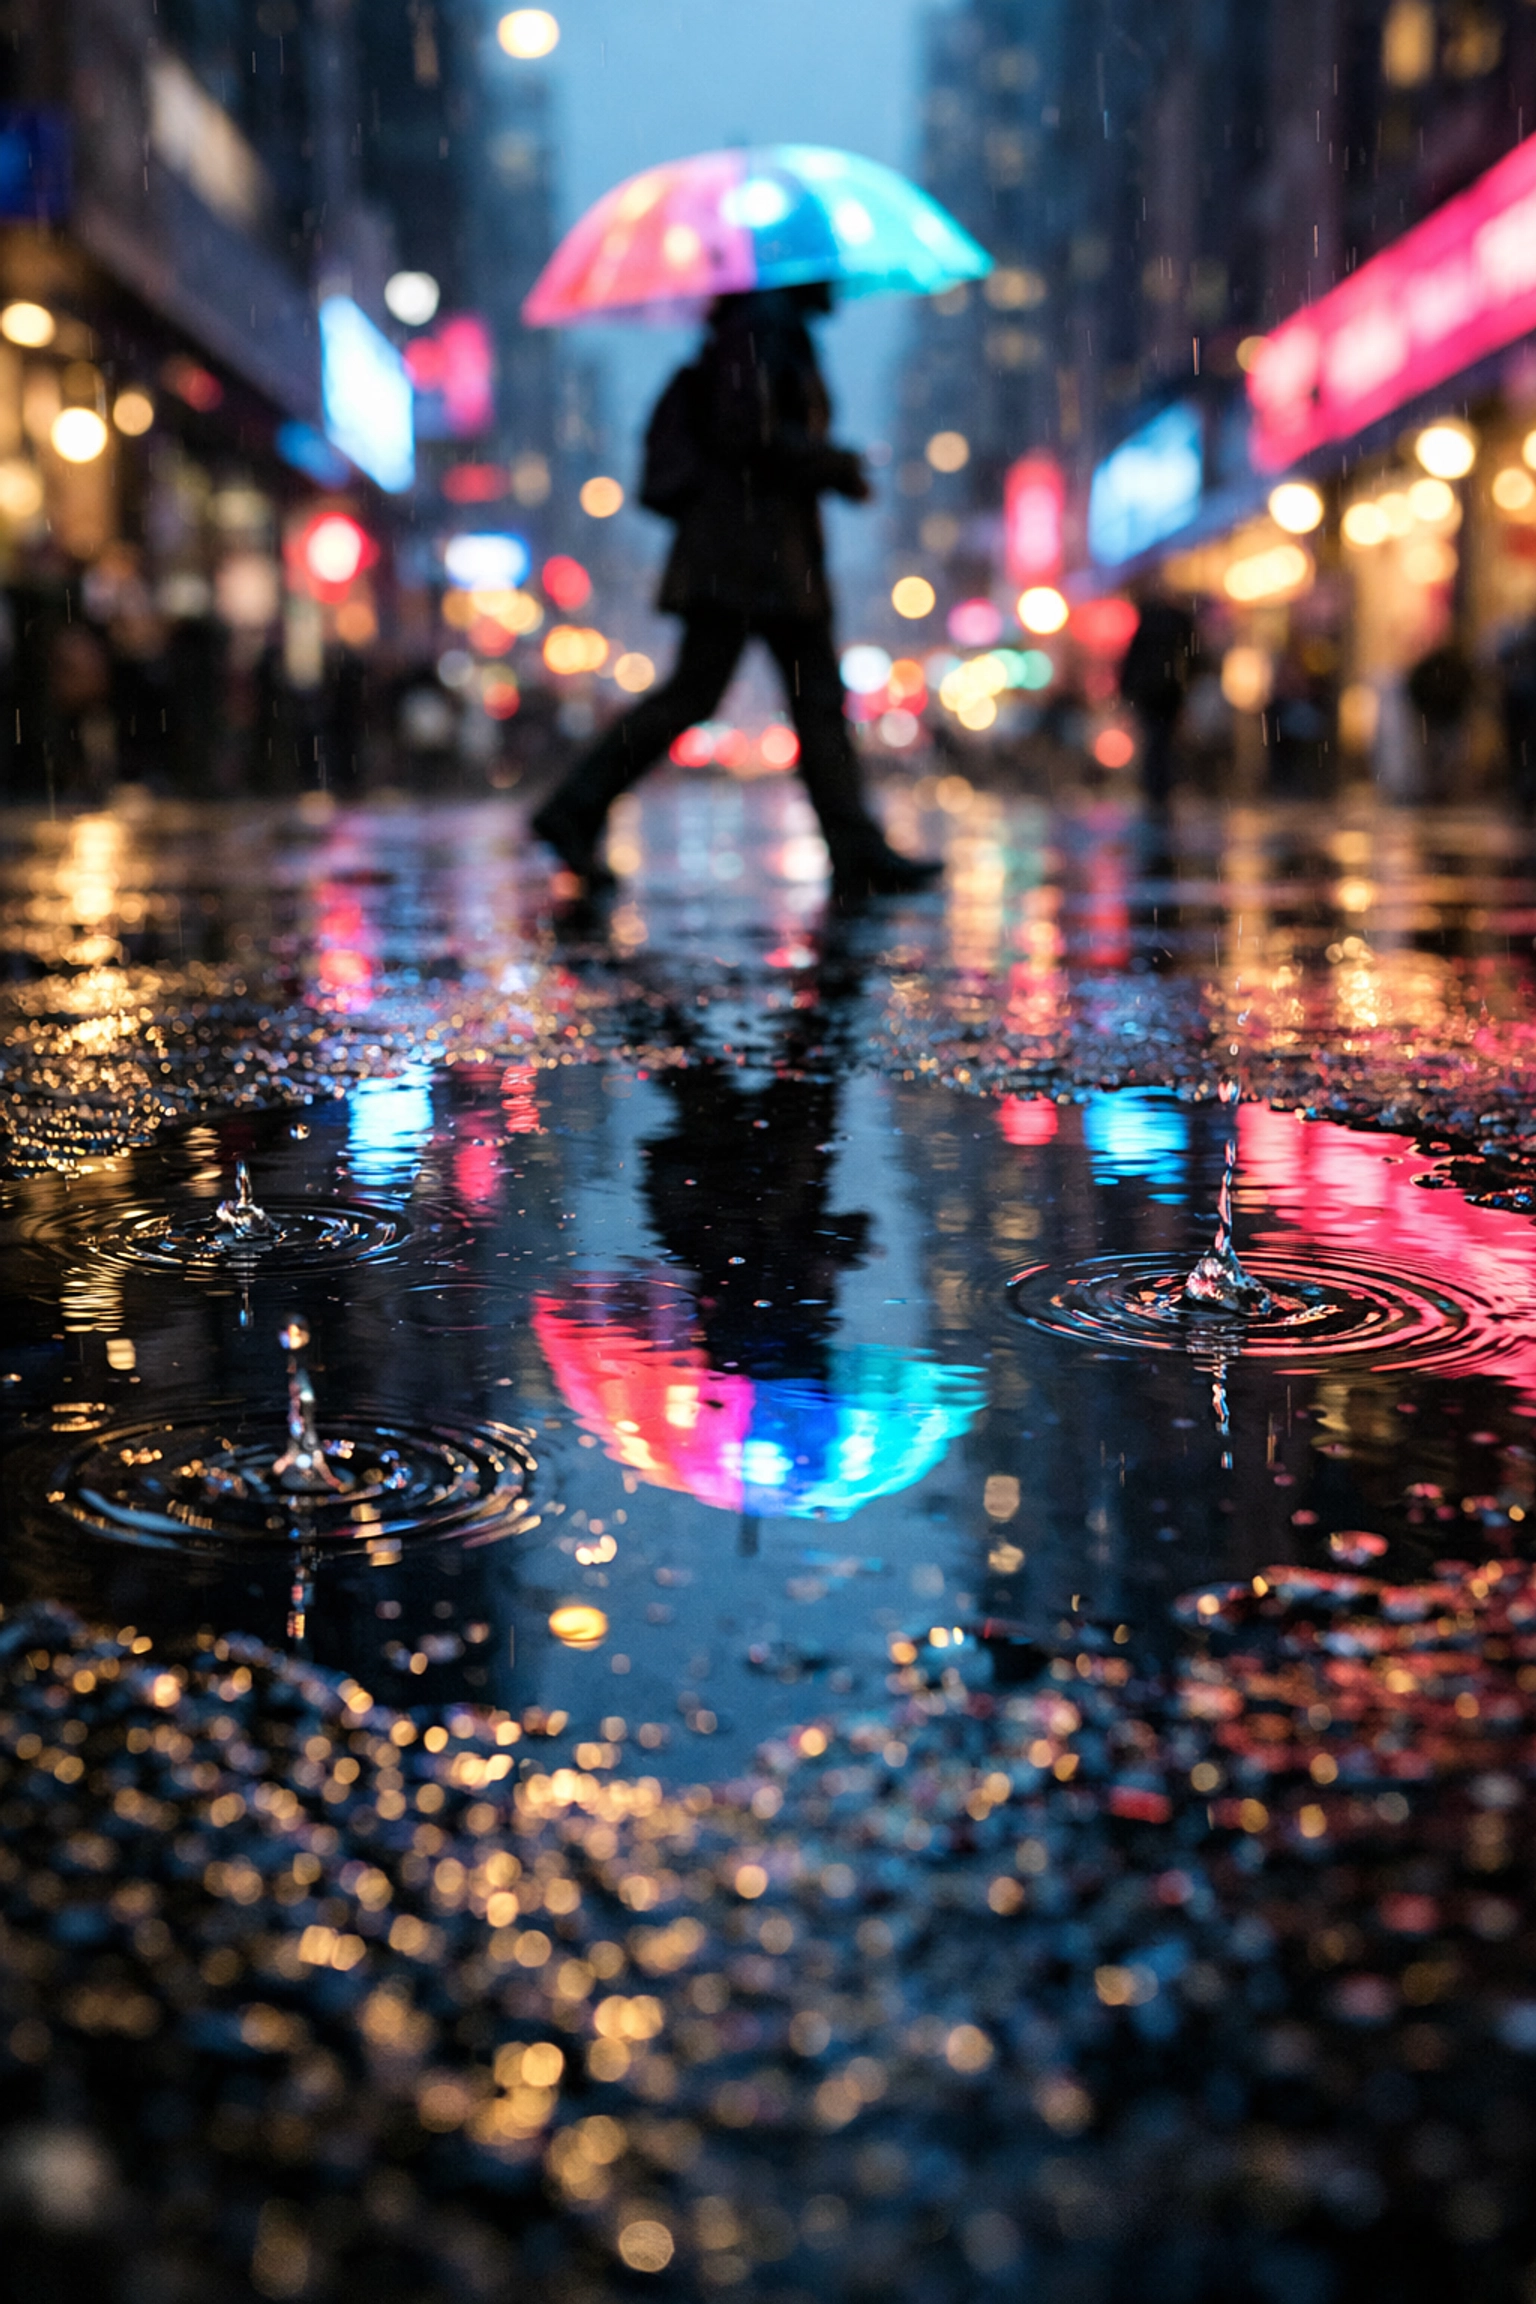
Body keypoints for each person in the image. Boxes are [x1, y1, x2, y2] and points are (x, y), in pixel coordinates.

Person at [532, 282, 941, 900]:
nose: (839, 279)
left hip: (757, 553)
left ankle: (855, 847)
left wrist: (824, 467)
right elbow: (745, 433)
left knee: (789, 699)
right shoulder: (761, 327)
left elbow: (755, 433)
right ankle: (573, 808)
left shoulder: (768, 328)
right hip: (749, 554)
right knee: (750, 696)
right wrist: (829, 465)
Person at [1118, 588, 1194, 810]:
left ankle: (1155, 785)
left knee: (1155, 739)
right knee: (1162, 739)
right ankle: (1161, 785)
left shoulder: (1148, 619)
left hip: (1152, 691)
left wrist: (1127, 689)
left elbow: (1132, 657)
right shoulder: (1177, 619)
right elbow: (1191, 657)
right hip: (1168, 690)